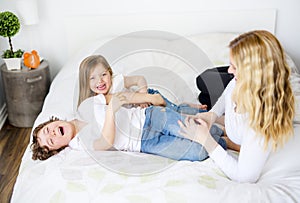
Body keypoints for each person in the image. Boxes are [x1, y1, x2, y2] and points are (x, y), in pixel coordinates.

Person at [178, 30, 295, 183]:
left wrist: (206, 140)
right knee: (203, 80)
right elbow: (227, 92)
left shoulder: (258, 126)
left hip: (243, 128)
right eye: (231, 64)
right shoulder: (239, 82)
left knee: (203, 94)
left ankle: (232, 140)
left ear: (252, 74)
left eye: (234, 66)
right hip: (234, 113)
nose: (229, 70)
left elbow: (244, 177)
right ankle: (216, 116)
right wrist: (212, 114)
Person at [31, 92, 227, 161]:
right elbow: (106, 142)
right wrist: (110, 112)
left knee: (190, 129)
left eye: (48, 129)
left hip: (148, 118)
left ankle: (229, 135)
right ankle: (221, 137)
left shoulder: (86, 106)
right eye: (51, 141)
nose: (53, 134)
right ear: (58, 149)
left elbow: (120, 97)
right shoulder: (79, 144)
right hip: (145, 144)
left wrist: (150, 98)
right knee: (198, 152)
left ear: (53, 121)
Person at [78, 54, 207, 114]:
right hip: (141, 113)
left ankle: (199, 111)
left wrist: (144, 95)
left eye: (103, 75)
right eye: (92, 78)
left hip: (149, 98)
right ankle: (184, 106)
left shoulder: (118, 81)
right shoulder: (93, 101)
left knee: (176, 111)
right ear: (86, 82)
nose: (100, 81)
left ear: (110, 73)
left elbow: (140, 79)